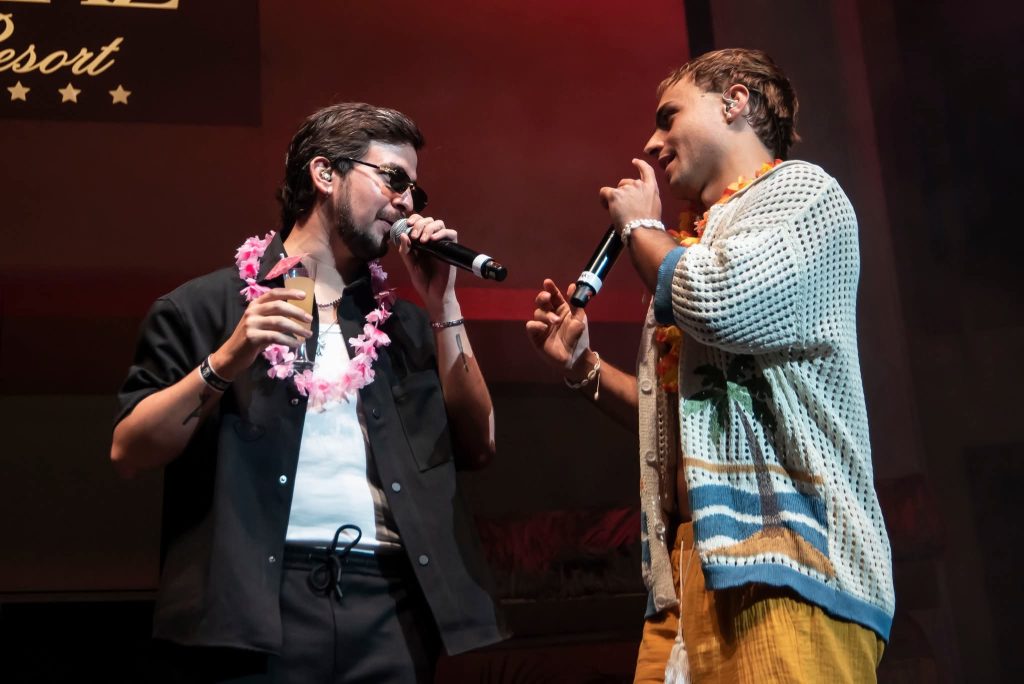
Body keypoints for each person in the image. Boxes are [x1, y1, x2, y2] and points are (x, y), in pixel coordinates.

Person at [527, 48, 894, 682]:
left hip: (792, 563)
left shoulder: (805, 195)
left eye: (668, 117)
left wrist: (641, 226)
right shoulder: (697, 240)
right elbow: (676, 422)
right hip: (689, 568)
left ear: (735, 101)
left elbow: (718, 300)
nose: (652, 142)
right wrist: (584, 368)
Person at [111, 102, 505, 683]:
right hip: (256, 602)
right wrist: (226, 360)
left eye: (415, 191)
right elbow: (130, 449)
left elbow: (478, 445)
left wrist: (443, 302)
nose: (408, 204)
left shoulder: (405, 325)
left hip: (389, 604)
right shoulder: (204, 308)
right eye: (393, 179)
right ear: (325, 174)